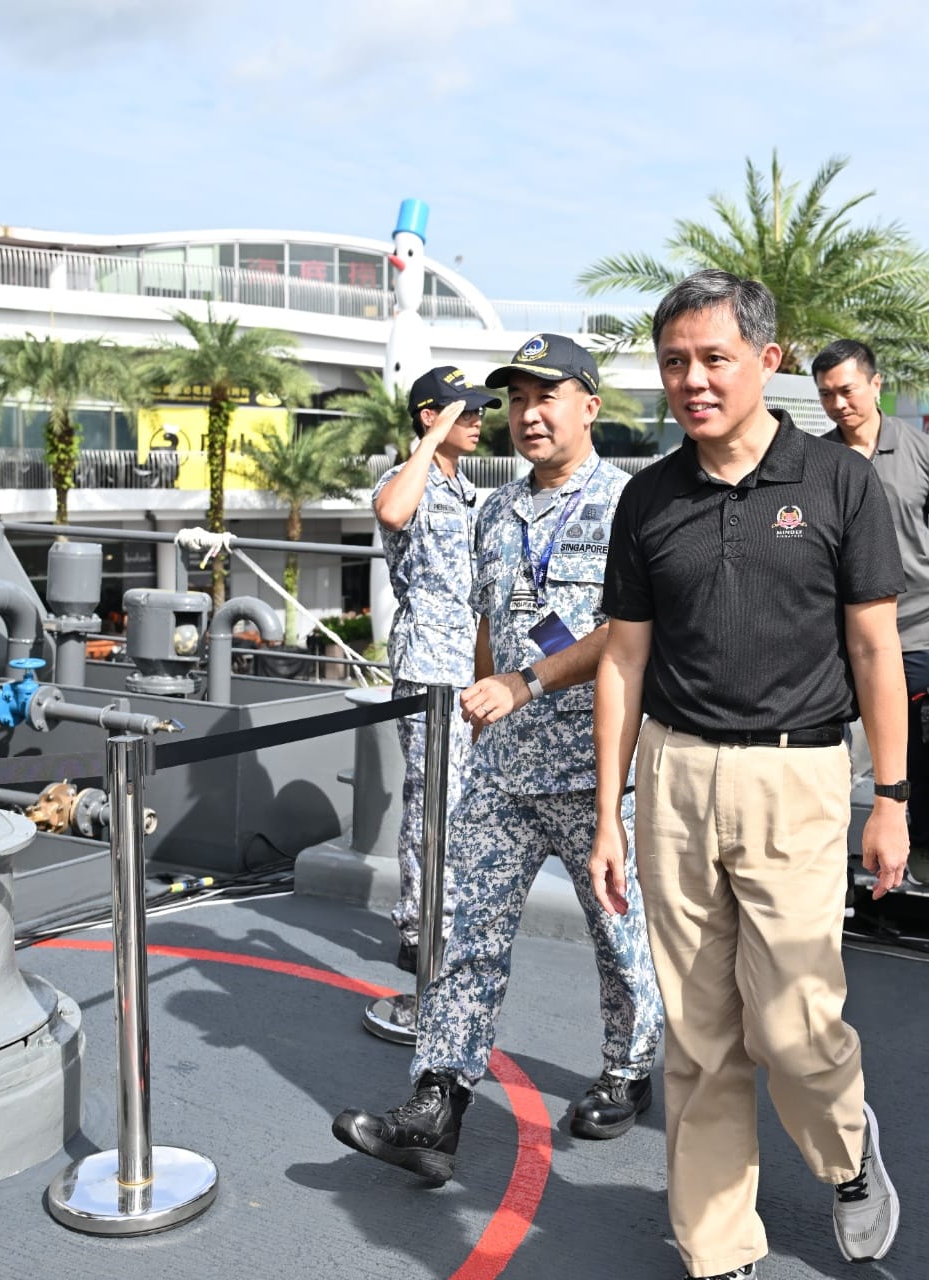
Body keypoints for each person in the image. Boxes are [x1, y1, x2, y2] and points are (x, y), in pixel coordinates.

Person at [589, 269, 910, 1280]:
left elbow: (874, 650)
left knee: (793, 1021)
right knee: (698, 1030)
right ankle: (719, 1245)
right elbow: (623, 659)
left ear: (767, 362)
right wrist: (609, 812)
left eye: (714, 358)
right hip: (673, 775)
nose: (692, 379)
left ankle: (848, 1151)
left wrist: (891, 797)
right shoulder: (647, 496)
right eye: (674, 360)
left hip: (798, 776)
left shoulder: (838, 482)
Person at [331, 333, 664, 1185]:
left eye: (545, 396)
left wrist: (521, 682)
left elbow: (630, 636)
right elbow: (488, 622)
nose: (526, 414)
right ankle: (437, 1103)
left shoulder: (632, 505)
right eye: (515, 399)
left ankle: (628, 1068)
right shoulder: (493, 512)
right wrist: (489, 702)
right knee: (467, 938)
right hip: (504, 771)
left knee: (618, 937)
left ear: (590, 405)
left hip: (598, 768)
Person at [813, 337, 929, 887]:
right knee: (822, 744)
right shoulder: (817, 460)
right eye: (826, 395)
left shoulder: (920, 452)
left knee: (921, 743)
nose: (839, 404)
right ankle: (824, 847)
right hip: (835, 631)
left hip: (911, 629)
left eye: (847, 390)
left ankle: (925, 842)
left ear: (875, 384)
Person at [371, 365, 494, 977]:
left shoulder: (469, 492)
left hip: (472, 668)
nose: (476, 421)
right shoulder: (407, 479)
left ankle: (445, 917)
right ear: (430, 417)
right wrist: (432, 437)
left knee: (462, 800)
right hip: (427, 669)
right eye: (462, 411)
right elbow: (392, 513)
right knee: (432, 800)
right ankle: (420, 927)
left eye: (476, 413)